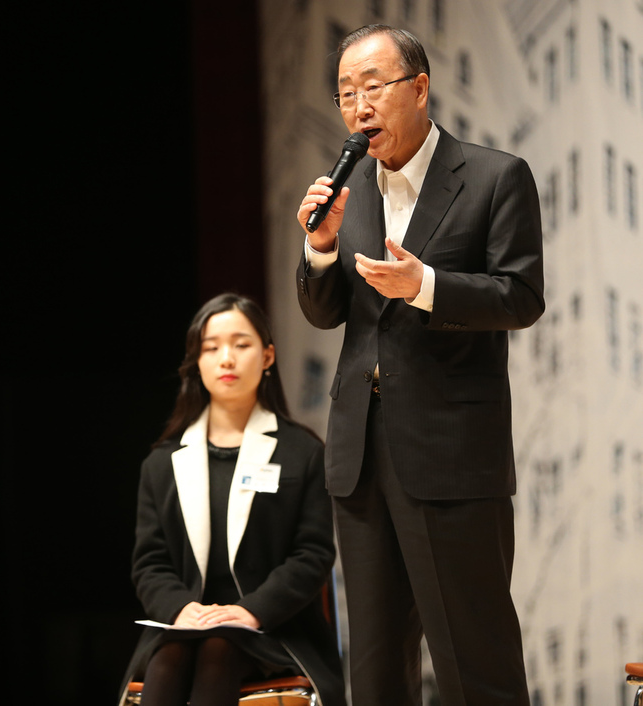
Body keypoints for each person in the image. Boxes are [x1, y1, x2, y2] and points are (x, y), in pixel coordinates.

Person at [294, 24, 544, 706]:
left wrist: (426, 286)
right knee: (375, 676)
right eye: (345, 93)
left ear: (420, 88)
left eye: (373, 87)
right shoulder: (353, 193)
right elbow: (326, 312)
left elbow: (521, 297)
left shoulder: (494, 177)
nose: (357, 106)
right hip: (363, 458)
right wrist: (319, 249)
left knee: (476, 667)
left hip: (454, 458)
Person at [119, 294, 346, 706]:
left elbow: (312, 554)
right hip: (185, 623)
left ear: (267, 356)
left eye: (241, 344)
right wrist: (179, 609)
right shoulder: (162, 462)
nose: (226, 358)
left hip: (275, 627)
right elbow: (149, 562)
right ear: (196, 362)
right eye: (211, 347)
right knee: (169, 658)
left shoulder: (302, 452)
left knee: (218, 651)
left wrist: (251, 610)